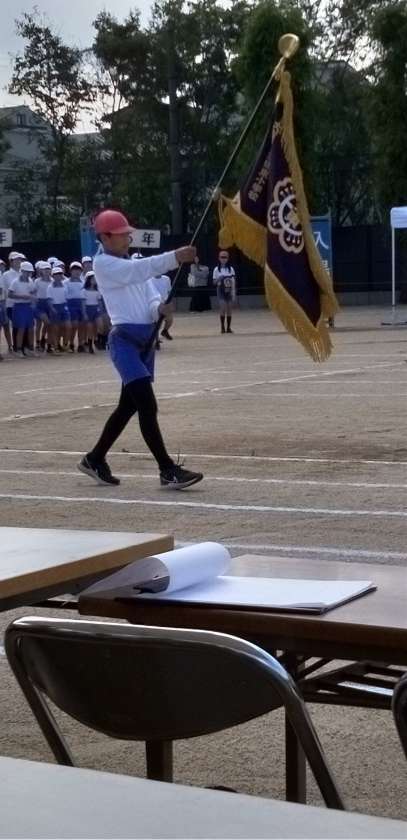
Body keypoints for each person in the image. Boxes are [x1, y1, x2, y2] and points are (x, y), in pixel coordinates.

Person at [77, 208, 203, 490]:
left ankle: (94, 459)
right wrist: (175, 257)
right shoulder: (103, 264)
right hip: (124, 342)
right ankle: (167, 469)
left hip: (146, 342)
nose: (127, 239)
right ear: (105, 237)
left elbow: (150, 296)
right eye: (121, 235)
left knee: (127, 406)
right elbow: (137, 271)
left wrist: (159, 309)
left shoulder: (131, 263)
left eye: (127, 234)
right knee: (147, 404)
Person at [9, 261, 37, 357]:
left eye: (30, 272)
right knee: (21, 328)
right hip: (19, 306)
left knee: (31, 328)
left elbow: (33, 291)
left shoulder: (30, 281)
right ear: (22, 271)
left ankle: (30, 348)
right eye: (27, 272)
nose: (28, 274)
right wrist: (23, 296)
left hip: (28, 306)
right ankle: (18, 349)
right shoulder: (15, 282)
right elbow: (10, 294)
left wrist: (33, 297)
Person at [47, 266, 70, 353]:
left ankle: (65, 344)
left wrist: (66, 307)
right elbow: (49, 299)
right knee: (56, 328)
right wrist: (52, 308)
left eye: (60, 274)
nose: (58, 276)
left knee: (67, 326)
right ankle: (56, 346)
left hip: (64, 307)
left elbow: (66, 297)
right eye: (56, 274)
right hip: (55, 307)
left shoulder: (65, 285)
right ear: (53, 276)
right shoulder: (50, 287)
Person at [213, 250, 236, 334]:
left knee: (229, 309)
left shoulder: (231, 269)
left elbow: (234, 281)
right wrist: (219, 279)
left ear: (228, 258)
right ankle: (222, 327)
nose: (223, 259)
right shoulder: (216, 269)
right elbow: (214, 282)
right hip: (221, 290)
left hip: (229, 290)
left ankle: (228, 327)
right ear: (219, 258)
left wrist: (233, 293)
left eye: (225, 257)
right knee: (222, 307)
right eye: (222, 257)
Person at [65, 261, 86, 352]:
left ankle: (81, 344)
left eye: (78, 270)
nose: (76, 272)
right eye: (74, 270)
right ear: (71, 271)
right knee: (74, 325)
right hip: (71, 305)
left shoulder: (84, 282)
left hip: (82, 304)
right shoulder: (66, 282)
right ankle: (71, 343)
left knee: (82, 325)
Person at [33, 261, 52, 351]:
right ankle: (38, 342)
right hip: (39, 304)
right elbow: (33, 292)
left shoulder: (52, 281)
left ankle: (43, 338)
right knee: (39, 324)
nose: (47, 271)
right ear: (41, 271)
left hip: (49, 304)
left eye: (48, 269)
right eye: (45, 269)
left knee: (47, 324)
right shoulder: (37, 281)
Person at [83, 270, 102, 354]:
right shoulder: (84, 291)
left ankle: (97, 339)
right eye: (93, 279)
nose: (95, 280)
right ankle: (90, 344)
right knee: (90, 328)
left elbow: (99, 301)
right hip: (88, 309)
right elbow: (83, 303)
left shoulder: (98, 290)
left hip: (96, 309)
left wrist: (100, 310)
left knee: (100, 325)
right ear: (88, 280)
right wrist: (84, 313)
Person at [152, 273, 173, 342]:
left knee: (170, 320)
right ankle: (156, 339)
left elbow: (169, 291)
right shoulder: (150, 280)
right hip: (156, 303)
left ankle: (165, 331)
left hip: (165, 303)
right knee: (157, 322)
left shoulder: (166, 279)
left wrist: (170, 302)